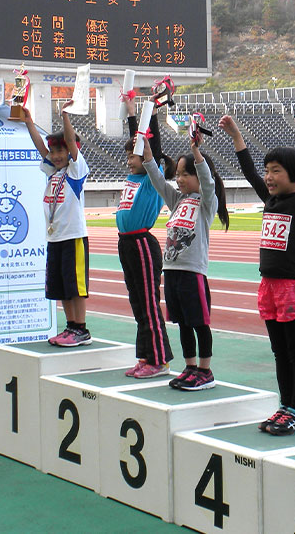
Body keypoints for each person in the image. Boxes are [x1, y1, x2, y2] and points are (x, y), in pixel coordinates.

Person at [219, 110, 295, 434]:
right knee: (280, 352)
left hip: (292, 288)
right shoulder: (270, 201)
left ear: (294, 176)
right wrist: (237, 136)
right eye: (268, 170)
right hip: (269, 287)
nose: (268, 176)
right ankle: (285, 405)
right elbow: (249, 171)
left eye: (275, 171)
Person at [140, 129, 229, 390]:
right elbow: (158, 181)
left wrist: (196, 153)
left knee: (199, 323)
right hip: (173, 271)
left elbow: (208, 181)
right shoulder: (177, 200)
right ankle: (190, 367)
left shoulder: (206, 202)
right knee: (182, 323)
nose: (179, 179)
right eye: (177, 174)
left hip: (192, 272)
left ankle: (205, 370)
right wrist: (147, 154)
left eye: (184, 174)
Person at [21, 99, 91, 347]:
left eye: (61, 151)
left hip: (73, 237)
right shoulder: (53, 172)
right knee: (62, 286)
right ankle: (71, 326)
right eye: (54, 152)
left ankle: (81, 329)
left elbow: (71, 143)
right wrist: (30, 123)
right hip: (55, 238)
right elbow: (42, 147)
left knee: (75, 286)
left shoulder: (75, 171)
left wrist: (64, 115)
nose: (57, 156)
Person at [118, 91, 175, 378]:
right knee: (137, 302)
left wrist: (149, 110)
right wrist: (131, 111)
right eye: (127, 155)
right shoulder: (134, 174)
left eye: (134, 156)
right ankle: (146, 355)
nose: (129, 160)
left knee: (149, 303)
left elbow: (149, 144)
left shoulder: (153, 176)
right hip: (126, 244)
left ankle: (159, 359)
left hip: (141, 243)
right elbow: (136, 139)